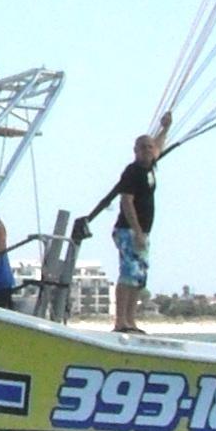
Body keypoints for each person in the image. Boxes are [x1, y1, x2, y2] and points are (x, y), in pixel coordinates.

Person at [80, 111, 172, 334]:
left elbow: (158, 146)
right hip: (129, 230)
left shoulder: (150, 166)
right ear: (135, 151)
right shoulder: (133, 172)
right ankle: (121, 321)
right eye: (143, 148)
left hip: (141, 232)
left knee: (139, 277)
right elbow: (126, 202)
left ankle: (131, 320)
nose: (149, 150)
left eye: (149, 148)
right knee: (128, 274)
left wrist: (165, 128)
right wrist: (138, 232)